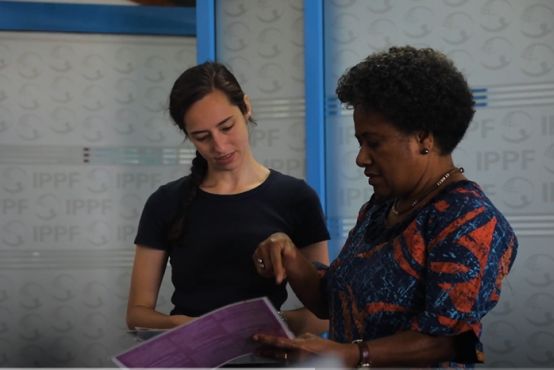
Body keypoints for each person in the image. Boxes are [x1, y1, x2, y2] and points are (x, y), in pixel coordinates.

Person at [251, 46, 518, 367]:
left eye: (373, 143)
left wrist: (351, 354)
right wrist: (291, 256)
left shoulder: (471, 221)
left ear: (424, 138)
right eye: (360, 143)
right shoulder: (380, 208)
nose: (361, 158)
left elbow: (451, 341)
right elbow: (332, 302)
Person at [126, 61, 330, 336]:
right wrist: (187, 326)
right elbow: (137, 314)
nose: (219, 146)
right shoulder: (165, 202)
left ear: (246, 107)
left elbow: (324, 314)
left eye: (226, 127)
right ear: (187, 136)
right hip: (192, 356)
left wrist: (263, 326)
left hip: (267, 357)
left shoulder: (296, 198)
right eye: (201, 137)